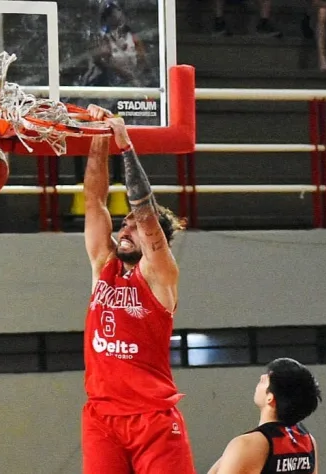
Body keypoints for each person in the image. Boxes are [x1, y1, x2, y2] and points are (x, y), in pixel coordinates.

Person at [80, 104, 195, 474]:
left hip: (153, 419)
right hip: (102, 415)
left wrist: (125, 146)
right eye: (123, 224)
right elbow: (95, 199)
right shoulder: (104, 264)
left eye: (132, 227)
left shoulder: (161, 274)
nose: (124, 229)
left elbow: (144, 210)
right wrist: (99, 137)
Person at [208, 358, 322, 474]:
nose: (262, 377)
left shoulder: (247, 445)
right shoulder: (308, 440)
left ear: (270, 398)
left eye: (266, 379)